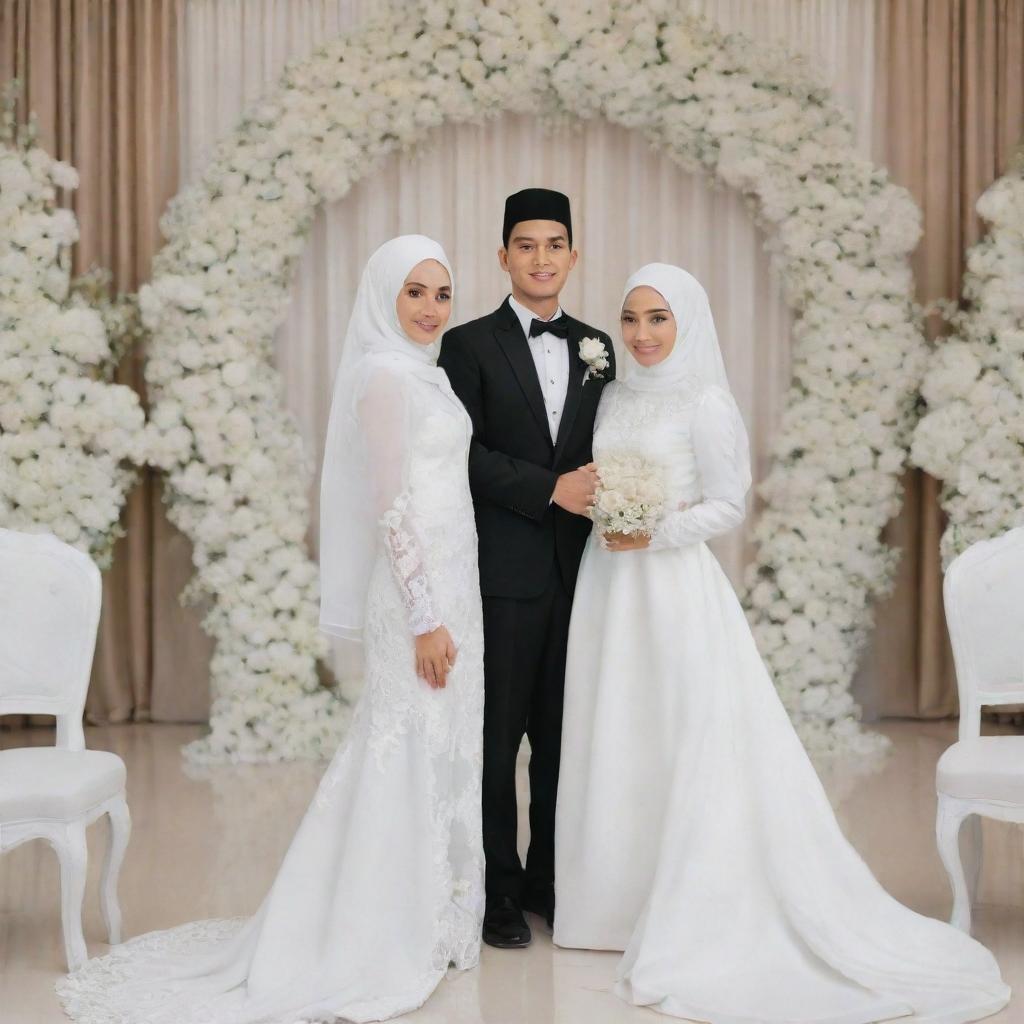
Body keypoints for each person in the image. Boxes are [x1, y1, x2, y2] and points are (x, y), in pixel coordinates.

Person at [554, 263, 1010, 1022]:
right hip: (606, 588)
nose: (641, 333)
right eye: (631, 318)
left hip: (669, 587)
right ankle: (607, 908)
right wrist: (609, 517)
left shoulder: (706, 401)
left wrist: (655, 530)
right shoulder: (612, 393)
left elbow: (730, 503)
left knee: (679, 736)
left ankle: (686, 903)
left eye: (658, 318)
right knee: (615, 732)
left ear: (687, 322)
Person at [57, 235, 486, 1024]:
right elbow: (391, 505)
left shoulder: (428, 376)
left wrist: (452, 601)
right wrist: (425, 616)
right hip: (419, 598)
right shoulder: (384, 379)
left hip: (459, 586)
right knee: (404, 738)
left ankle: (437, 911)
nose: (430, 309)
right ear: (383, 296)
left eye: (441, 294)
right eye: (414, 293)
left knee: (447, 740)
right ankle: (377, 922)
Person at [438, 188, 615, 948]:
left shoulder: (602, 346)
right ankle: (497, 896)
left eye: (554, 245)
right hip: (502, 577)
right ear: (503, 255)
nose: (541, 258)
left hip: (585, 577)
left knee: (562, 738)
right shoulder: (468, 345)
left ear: (573, 256)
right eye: (525, 245)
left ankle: (549, 880)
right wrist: (550, 489)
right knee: (497, 740)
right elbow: (459, 454)